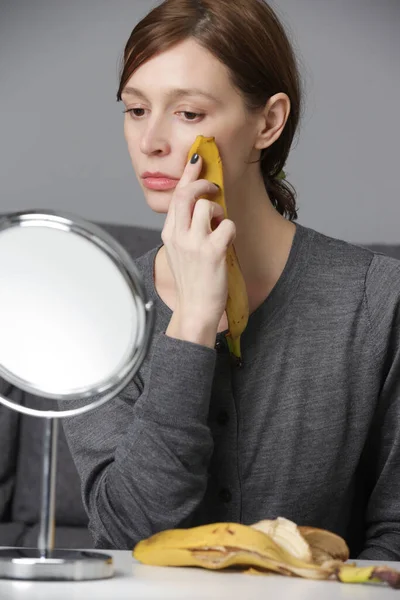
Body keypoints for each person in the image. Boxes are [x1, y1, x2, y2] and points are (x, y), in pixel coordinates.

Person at [62, 0, 400, 560]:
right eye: (136, 109)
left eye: (188, 114)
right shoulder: (98, 310)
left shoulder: (378, 299)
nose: (151, 142)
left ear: (267, 122)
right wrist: (192, 325)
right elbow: (125, 536)